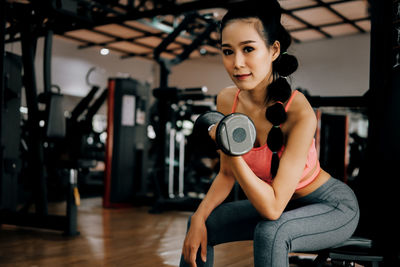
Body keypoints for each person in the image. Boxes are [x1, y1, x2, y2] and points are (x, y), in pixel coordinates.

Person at [180, 1, 359, 266]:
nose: (237, 63)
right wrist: (198, 216)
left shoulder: (299, 112)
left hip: (330, 206)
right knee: (204, 221)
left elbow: (272, 209)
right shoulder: (227, 100)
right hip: (282, 206)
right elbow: (228, 174)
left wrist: (231, 146)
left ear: (274, 50)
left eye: (249, 49)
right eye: (228, 51)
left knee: (271, 232)